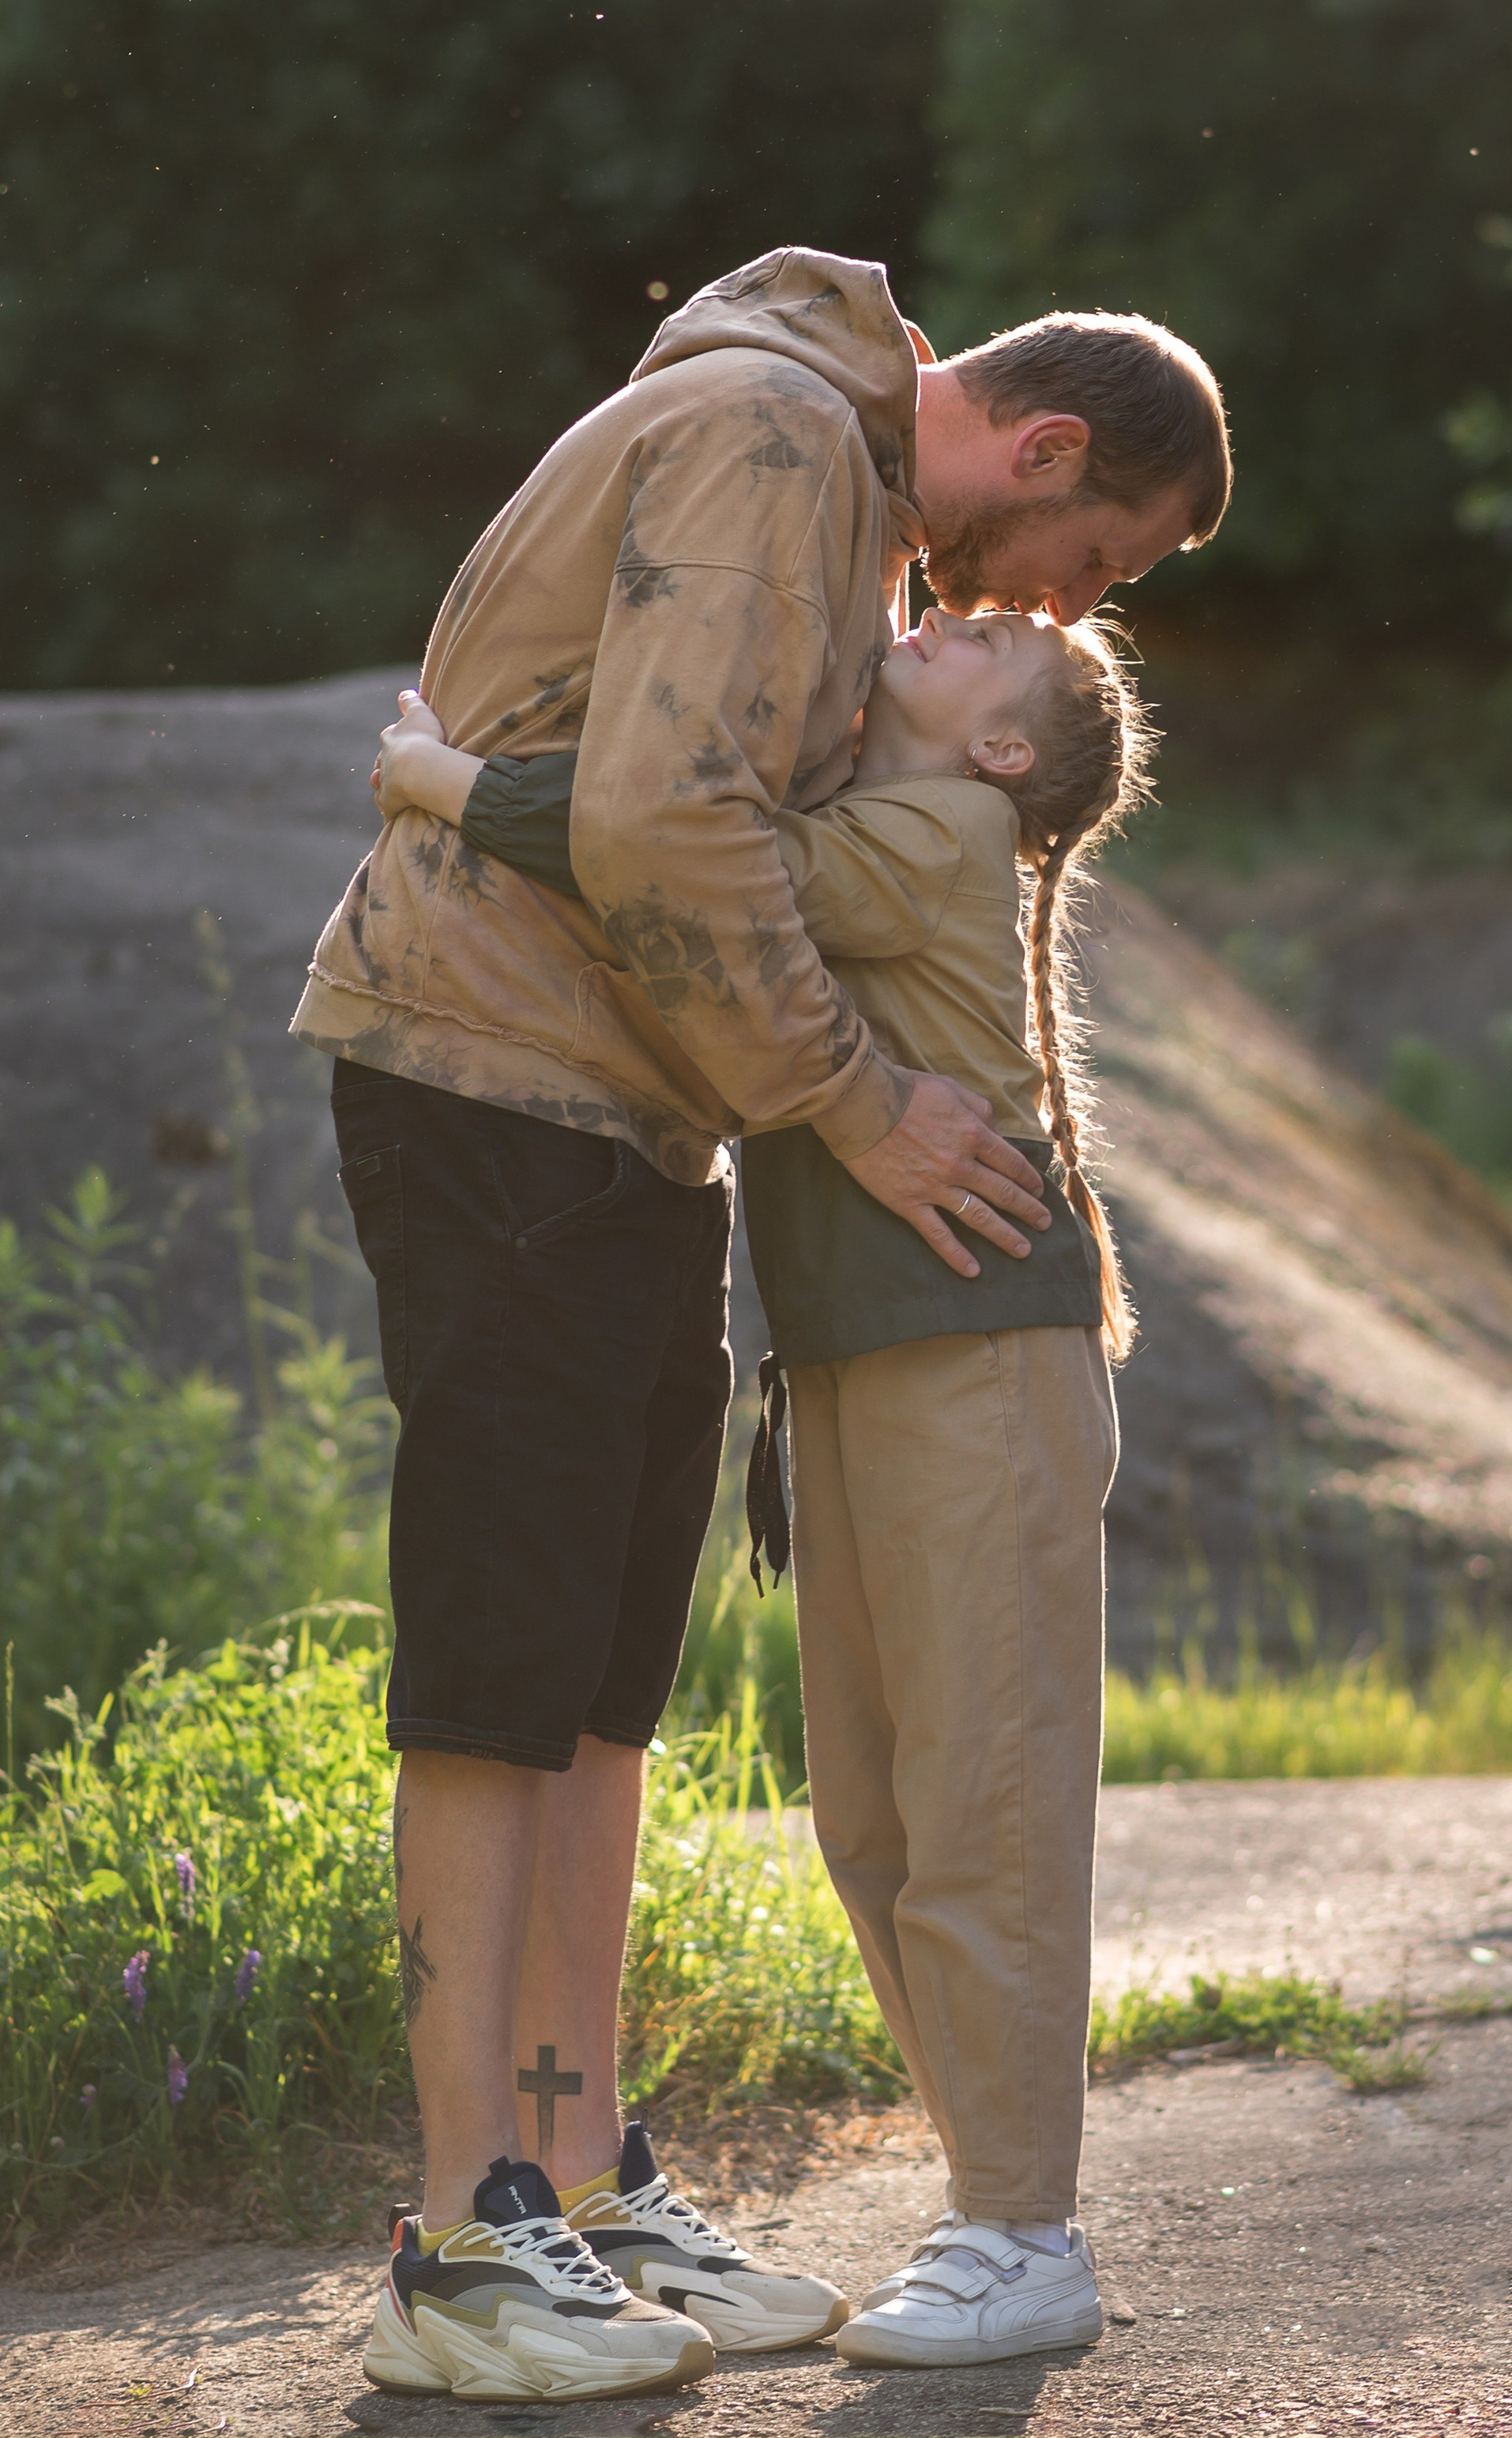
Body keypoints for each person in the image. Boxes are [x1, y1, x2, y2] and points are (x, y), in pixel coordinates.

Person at [291, 246, 1228, 2403]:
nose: (1059, 619)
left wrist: (775, 1076)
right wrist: (847, 1098)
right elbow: (667, 818)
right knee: (511, 1667)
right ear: (1044, 448)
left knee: (607, 1683)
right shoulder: (780, 433)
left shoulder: (833, 487)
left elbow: (741, 832)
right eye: (1077, 565)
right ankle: (464, 2236)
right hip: (500, 1077)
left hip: (634, 1111)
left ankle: (576, 2170)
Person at [371, 580, 1146, 2369]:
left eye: (982, 641)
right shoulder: (897, 801)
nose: (951, 616)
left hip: (982, 1369)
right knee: (871, 1812)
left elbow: (697, 874)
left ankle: (1022, 2221)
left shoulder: (940, 827)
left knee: (988, 1796)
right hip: (869, 1367)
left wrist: (444, 778)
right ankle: (988, 2198)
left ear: (1004, 748)